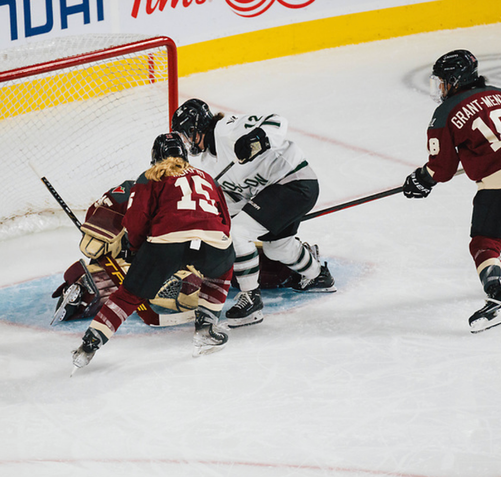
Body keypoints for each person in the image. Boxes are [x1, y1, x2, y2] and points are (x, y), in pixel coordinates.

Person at [402, 49, 501, 333]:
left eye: (442, 81)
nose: (440, 87)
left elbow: (441, 168)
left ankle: (498, 300)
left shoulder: (445, 112)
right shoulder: (499, 92)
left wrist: (421, 179)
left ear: (455, 80)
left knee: (483, 241)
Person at [71, 132, 235, 371]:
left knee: (129, 295)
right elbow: (225, 220)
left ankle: (91, 342)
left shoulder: (150, 176)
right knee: (222, 271)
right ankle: (206, 330)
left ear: (154, 156)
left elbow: (136, 221)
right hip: (213, 242)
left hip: (165, 244)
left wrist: (138, 250)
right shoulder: (207, 177)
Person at [171, 99, 336, 328]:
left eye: (186, 134)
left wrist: (256, 138)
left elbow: (277, 122)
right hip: (273, 192)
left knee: (237, 233)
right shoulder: (210, 162)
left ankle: (251, 299)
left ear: (196, 128)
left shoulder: (227, 130)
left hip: (295, 181)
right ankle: (318, 275)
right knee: (276, 247)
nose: (187, 142)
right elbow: (231, 202)